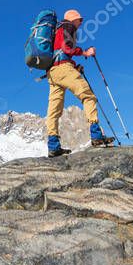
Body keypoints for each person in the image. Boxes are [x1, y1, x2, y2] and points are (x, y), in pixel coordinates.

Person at [46, 9, 115, 156]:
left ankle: (53, 146)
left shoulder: (56, 30)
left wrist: (74, 66)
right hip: (63, 69)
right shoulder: (68, 27)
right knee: (88, 96)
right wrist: (85, 52)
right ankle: (96, 136)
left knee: (54, 110)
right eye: (80, 19)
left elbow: (60, 52)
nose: (81, 22)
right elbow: (67, 48)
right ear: (73, 19)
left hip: (52, 72)